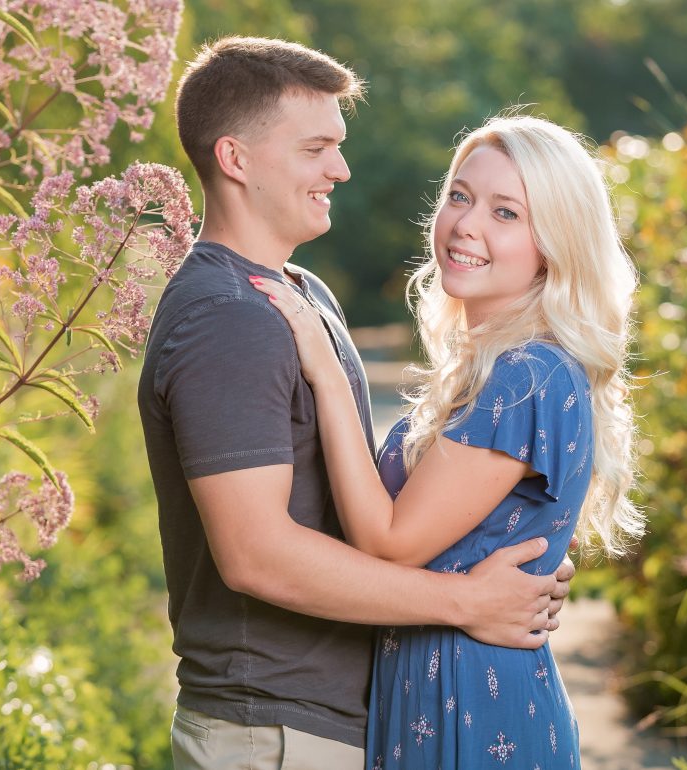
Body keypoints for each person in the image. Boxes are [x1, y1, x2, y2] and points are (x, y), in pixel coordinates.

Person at [137, 38, 576, 770]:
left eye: (337, 146)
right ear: (236, 160)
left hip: (337, 726)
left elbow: (365, 504)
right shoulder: (229, 315)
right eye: (315, 148)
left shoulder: (304, 296)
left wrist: (508, 557)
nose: (340, 169)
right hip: (271, 733)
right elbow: (255, 556)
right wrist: (466, 601)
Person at [249, 113, 644, 768]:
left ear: (556, 241)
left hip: (476, 712)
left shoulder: (528, 375)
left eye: (506, 212)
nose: (466, 224)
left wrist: (322, 367)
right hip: (433, 696)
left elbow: (388, 540)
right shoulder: (492, 370)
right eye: (459, 196)